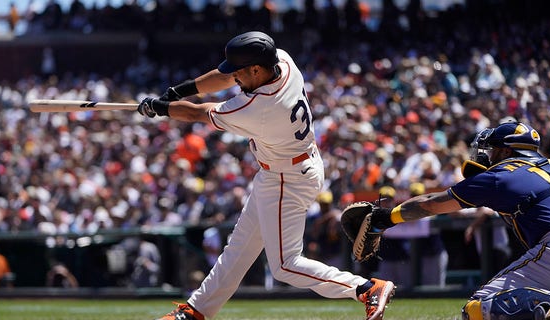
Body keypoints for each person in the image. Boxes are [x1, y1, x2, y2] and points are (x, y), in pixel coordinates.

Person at [138, 31, 395, 320]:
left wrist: (161, 108)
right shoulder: (283, 61)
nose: (234, 78)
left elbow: (199, 113)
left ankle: (365, 287)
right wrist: (178, 91)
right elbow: (224, 78)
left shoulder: (258, 108)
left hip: (288, 177)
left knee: (285, 265)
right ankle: (196, 311)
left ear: (256, 69)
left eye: (240, 72)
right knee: (238, 249)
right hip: (286, 168)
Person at [364, 121, 550, 319]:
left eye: (490, 150)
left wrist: (387, 218)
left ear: (503, 151)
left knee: (477, 308)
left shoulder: (501, 173)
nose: (487, 155)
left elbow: (430, 204)